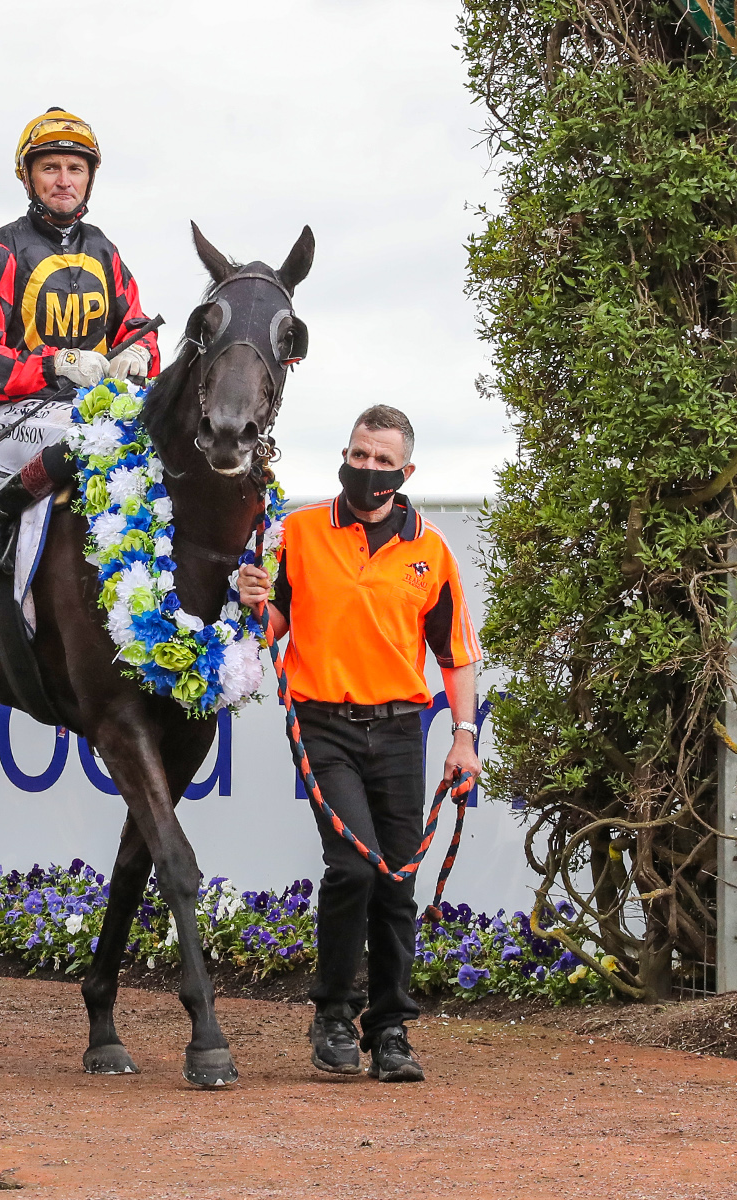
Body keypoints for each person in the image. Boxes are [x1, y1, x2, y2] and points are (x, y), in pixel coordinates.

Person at [236, 404, 482, 1082]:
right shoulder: (299, 532)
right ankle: (333, 1016)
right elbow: (270, 626)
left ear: (406, 473)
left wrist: (464, 738)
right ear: (345, 455)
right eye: (358, 455)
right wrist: (253, 600)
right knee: (352, 868)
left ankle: (390, 1028)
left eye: (382, 461)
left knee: (397, 880)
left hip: (401, 729)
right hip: (323, 725)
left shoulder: (431, 550)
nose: (367, 468)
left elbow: (457, 656)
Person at [0, 108, 161, 569]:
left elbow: (139, 327)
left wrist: (139, 353)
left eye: (75, 169)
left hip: (93, 409)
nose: (64, 180)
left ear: (90, 179)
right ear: (29, 179)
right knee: (91, 439)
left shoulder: (104, 251)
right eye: (50, 168)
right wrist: (56, 364)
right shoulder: (3, 250)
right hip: (17, 414)